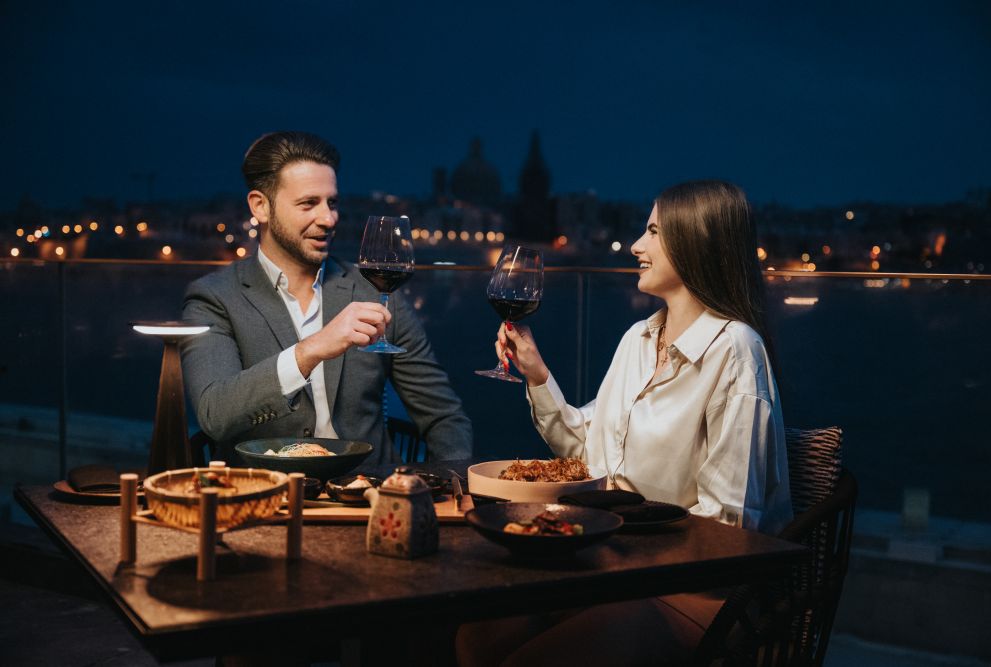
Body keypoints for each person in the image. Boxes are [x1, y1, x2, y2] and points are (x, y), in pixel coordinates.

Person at [456, 180, 792, 666]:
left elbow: (730, 526)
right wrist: (538, 376)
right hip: (612, 568)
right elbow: (587, 456)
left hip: (694, 593)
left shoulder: (736, 351)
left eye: (654, 231)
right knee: (476, 635)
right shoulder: (638, 338)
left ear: (697, 242)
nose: (637, 245)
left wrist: (612, 544)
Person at [180, 131, 472, 464]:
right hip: (266, 499)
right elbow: (214, 414)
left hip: (373, 501)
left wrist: (448, 491)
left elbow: (444, 417)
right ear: (260, 206)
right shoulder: (214, 297)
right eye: (308, 203)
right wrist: (312, 349)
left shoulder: (376, 295)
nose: (329, 219)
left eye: (332, 202)